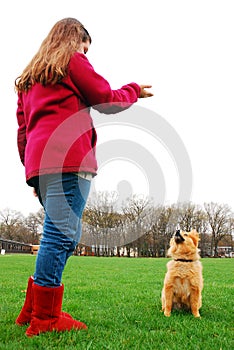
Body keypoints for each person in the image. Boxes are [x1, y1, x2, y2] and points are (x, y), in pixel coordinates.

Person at [15, 17, 153, 337]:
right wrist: (134, 90)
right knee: (61, 236)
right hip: (68, 160)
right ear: (73, 39)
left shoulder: (30, 80)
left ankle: (34, 309)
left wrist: (34, 173)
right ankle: (45, 319)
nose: (85, 53)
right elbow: (105, 98)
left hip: (41, 164)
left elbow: (23, 132)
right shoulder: (72, 61)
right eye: (84, 45)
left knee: (63, 235)